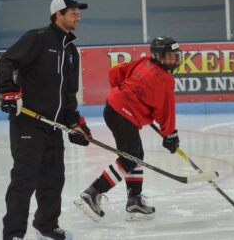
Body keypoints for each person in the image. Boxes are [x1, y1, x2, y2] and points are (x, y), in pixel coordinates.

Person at [0, 0, 92, 240]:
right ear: (57, 15)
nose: (78, 17)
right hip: (28, 123)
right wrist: (8, 92)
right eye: (73, 12)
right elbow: (6, 61)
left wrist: (74, 123)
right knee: (24, 179)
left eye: (78, 12)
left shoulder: (71, 50)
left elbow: (69, 92)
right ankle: (14, 234)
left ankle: (46, 226)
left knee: (53, 179)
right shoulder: (37, 39)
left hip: (53, 127)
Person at [74, 36, 182, 222]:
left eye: (175, 55)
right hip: (123, 114)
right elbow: (166, 111)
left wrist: (125, 95)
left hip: (113, 108)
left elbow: (115, 72)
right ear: (157, 56)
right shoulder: (165, 79)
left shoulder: (144, 62)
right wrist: (170, 135)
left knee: (135, 155)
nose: (174, 59)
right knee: (130, 157)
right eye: (169, 56)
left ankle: (134, 202)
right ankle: (92, 193)